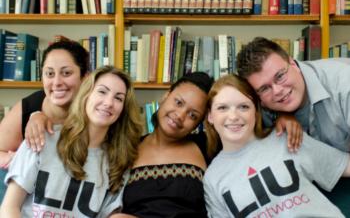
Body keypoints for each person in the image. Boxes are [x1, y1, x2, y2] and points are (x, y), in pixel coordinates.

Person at [0, 66, 143, 217]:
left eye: (118, 98)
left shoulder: (118, 162)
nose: (108, 103)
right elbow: (9, 208)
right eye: (102, 91)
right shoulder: (42, 138)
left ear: (123, 109)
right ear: (86, 95)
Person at [203, 74, 350, 218]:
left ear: (256, 111)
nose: (233, 116)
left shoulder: (285, 137)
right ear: (210, 116)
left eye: (243, 107)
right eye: (222, 108)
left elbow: (342, 166)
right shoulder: (212, 178)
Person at [236, 36, 350, 214]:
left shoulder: (344, 83)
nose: (278, 91)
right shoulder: (258, 109)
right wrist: (280, 115)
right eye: (264, 88)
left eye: (280, 76)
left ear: (294, 63)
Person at [112, 72, 216, 218]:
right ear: (166, 96)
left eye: (193, 115)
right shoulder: (128, 148)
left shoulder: (207, 147)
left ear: (197, 124)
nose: (180, 115)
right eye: (178, 102)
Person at [0, 40, 89, 201]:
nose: (56, 82)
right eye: (49, 73)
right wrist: (15, 159)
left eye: (66, 73)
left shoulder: (96, 110)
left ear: (85, 77)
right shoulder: (28, 107)